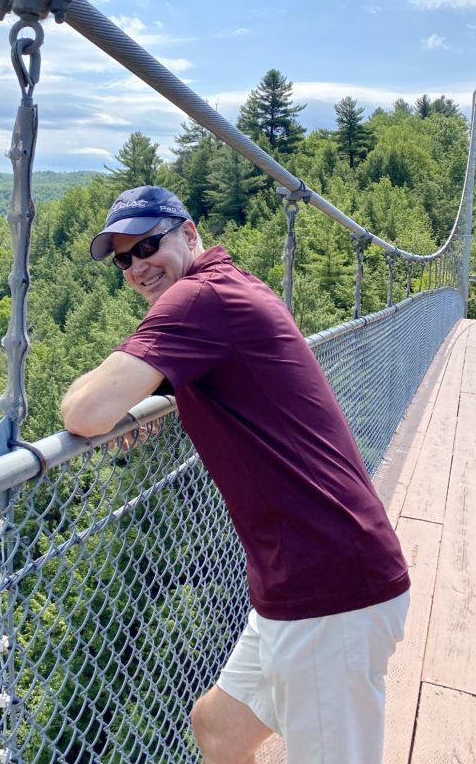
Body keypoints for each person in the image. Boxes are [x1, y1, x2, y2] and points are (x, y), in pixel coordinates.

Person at [61, 185, 410, 764]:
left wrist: (106, 393)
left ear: (189, 232)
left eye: (149, 244)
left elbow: (85, 410)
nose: (138, 265)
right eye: (123, 258)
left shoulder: (199, 299)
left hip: (329, 587)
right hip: (305, 575)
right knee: (218, 729)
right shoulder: (228, 288)